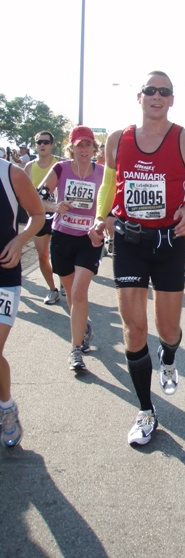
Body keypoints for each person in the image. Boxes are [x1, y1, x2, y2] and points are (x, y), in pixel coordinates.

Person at [88, 70, 185, 447]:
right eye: (150, 90)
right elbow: (109, 185)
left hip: (169, 243)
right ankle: (145, 411)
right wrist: (99, 217)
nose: (157, 96)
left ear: (172, 100)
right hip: (129, 242)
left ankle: (169, 357)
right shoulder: (116, 139)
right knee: (135, 328)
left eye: (164, 92)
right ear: (138, 97)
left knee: (168, 329)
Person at [39, 126, 104, 370]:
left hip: (89, 239)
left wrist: (100, 223)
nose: (84, 149)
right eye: (79, 145)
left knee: (78, 292)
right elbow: (38, 198)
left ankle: (75, 351)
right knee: (70, 294)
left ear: (94, 147)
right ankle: (83, 328)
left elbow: (110, 205)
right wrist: (56, 207)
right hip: (62, 236)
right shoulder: (61, 169)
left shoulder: (103, 172)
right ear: (71, 148)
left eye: (88, 144)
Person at [0, 158, 45, 447]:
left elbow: (38, 215)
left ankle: (6, 408)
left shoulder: (10, 173)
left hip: (4, 273)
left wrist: (20, 241)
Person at [24, 131, 62, 305]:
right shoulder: (29, 167)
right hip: (39, 217)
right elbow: (22, 194)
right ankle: (52, 289)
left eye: (46, 142)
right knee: (42, 256)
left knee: (61, 254)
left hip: (60, 215)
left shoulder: (60, 164)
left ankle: (65, 282)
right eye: (39, 142)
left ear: (52, 144)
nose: (42, 145)